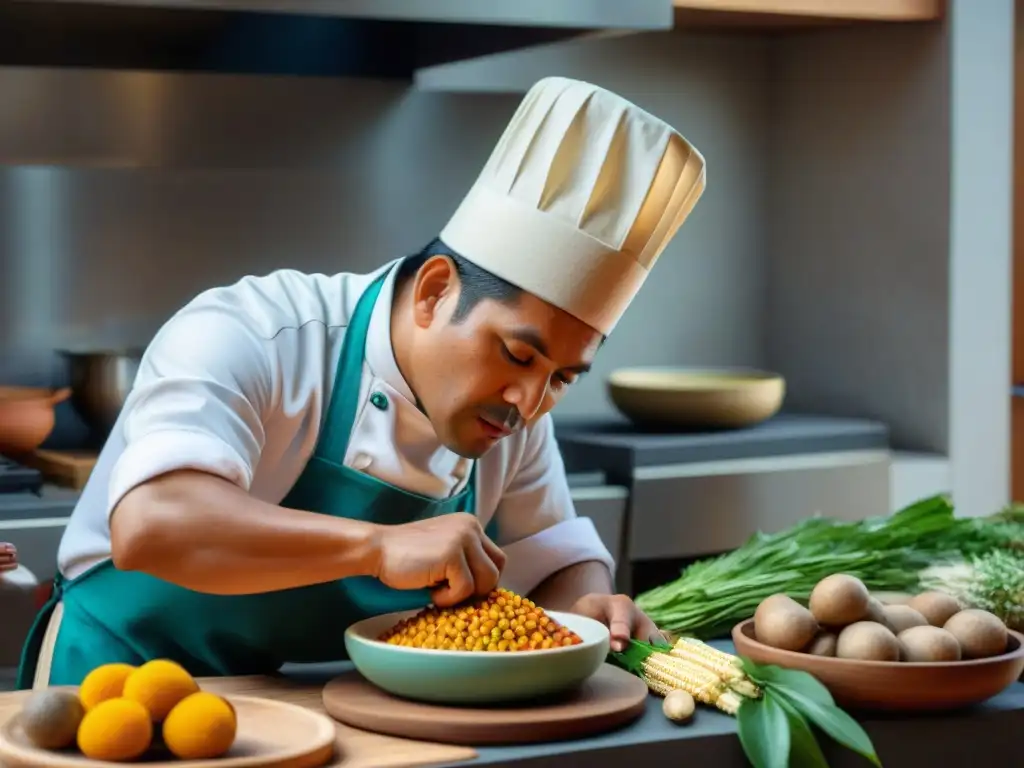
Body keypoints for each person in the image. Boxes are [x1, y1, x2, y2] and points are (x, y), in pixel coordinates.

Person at [17, 76, 706, 689]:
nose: (531, 402)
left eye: (563, 377)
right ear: (436, 292)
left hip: (311, 706)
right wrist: (377, 548)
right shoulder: (258, 334)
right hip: (114, 687)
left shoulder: (514, 416)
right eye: (518, 356)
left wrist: (590, 611)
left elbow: (556, 557)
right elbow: (154, 524)